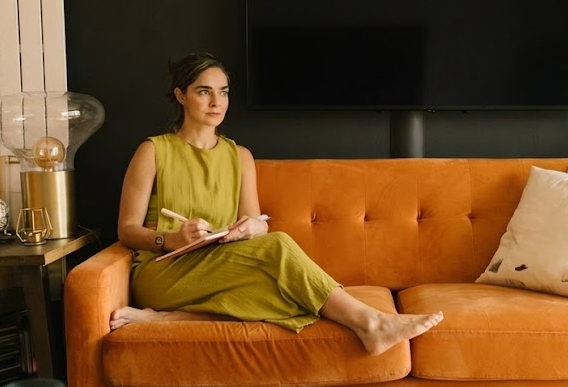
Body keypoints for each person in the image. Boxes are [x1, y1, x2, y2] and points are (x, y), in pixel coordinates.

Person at [110, 53, 442, 355]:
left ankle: (168, 320)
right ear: (181, 96)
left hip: (221, 264)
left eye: (223, 92)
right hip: (164, 271)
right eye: (204, 91)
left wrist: (252, 226)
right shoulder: (153, 151)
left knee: (287, 286)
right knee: (280, 247)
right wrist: (170, 238)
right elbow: (126, 231)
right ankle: (370, 323)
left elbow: (258, 223)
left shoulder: (239, 156)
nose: (217, 102)